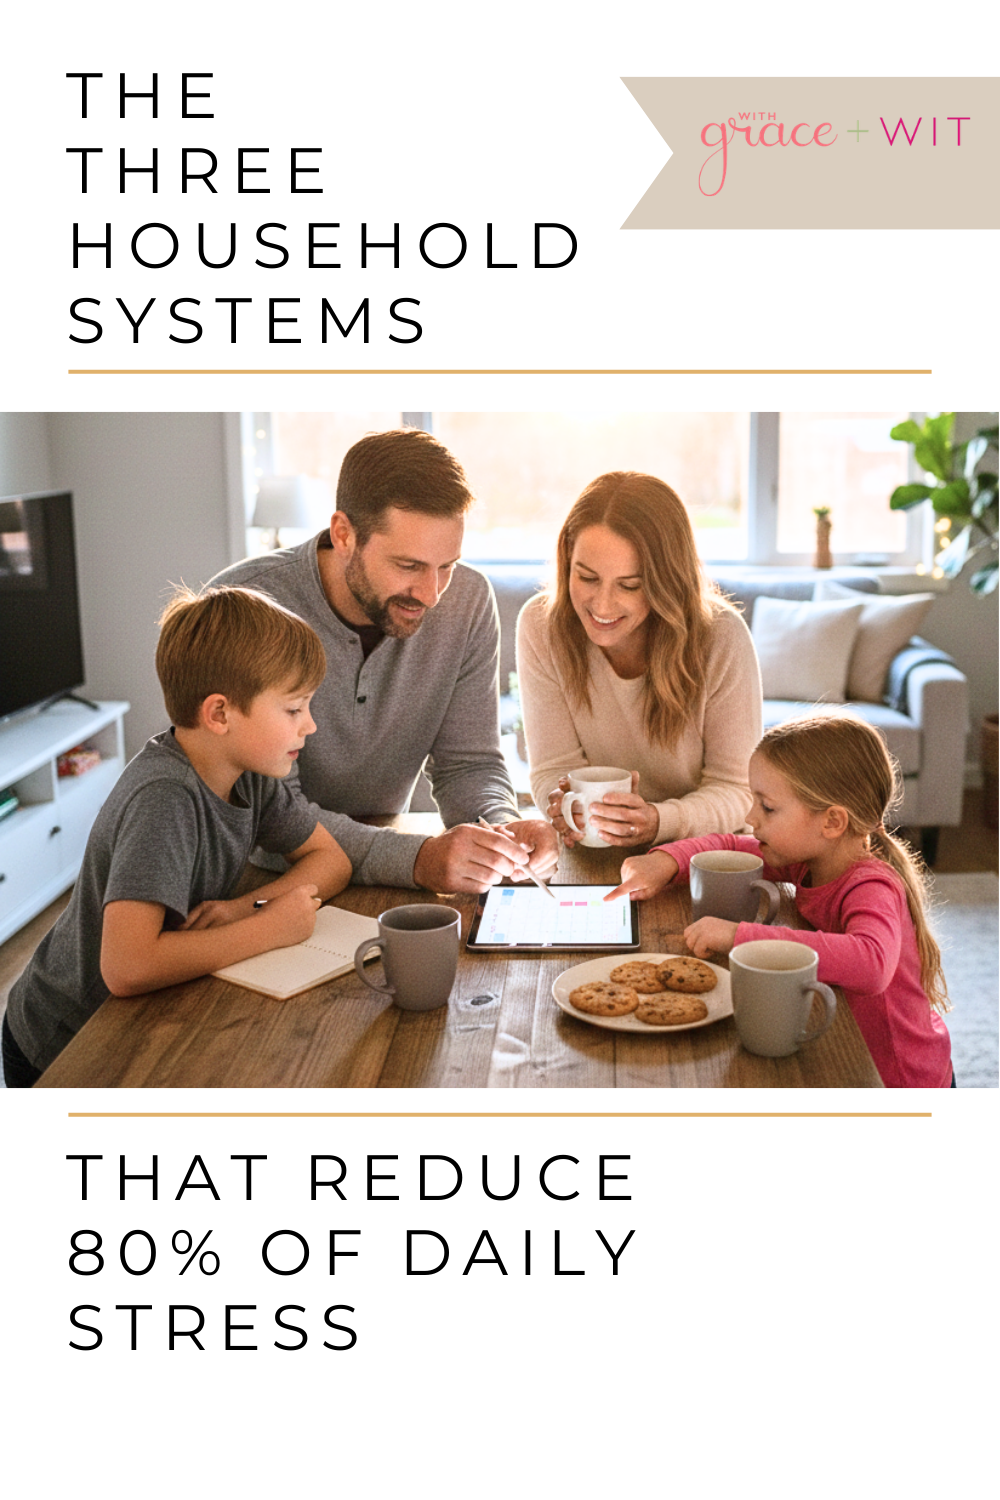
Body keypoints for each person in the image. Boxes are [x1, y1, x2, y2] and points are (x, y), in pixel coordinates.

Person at [2, 586, 352, 1088]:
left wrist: (243, 909)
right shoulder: (164, 799)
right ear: (220, 714)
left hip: (144, 1012)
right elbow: (126, 966)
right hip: (64, 1045)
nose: (311, 725)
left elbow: (330, 860)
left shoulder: (247, 772)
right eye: (294, 710)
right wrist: (268, 929)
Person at [211, 427, 558, 893]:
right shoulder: (248, 606)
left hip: (384, 873)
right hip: (257, 882)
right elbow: (273, 819)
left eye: (447, 565)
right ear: (344, 534)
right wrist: (417, 860)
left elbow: (468, 764)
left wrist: (500, 829)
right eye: (409, 566)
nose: (432, 594)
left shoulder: (469, 602)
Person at [609, 715, 953, 1089]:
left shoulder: (871, 885)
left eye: (768, 807)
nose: (750, 817)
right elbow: (728, 844)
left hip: (899, 1080)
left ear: (832, 822)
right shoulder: (810, 857)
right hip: (847, 1050)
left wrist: (739, 936)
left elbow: (871, 964)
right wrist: (664, 863)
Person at [515, 471, 761, 848]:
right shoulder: (541, 626)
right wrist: (567, 806)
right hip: (596, 850)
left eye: (630, 585)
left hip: (703, 854)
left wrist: (659, 821)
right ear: (567, 557)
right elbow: (553, 768)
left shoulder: (721, 636)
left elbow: (737, 790)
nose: (602, 605)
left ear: (667, 580)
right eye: (587, 577)